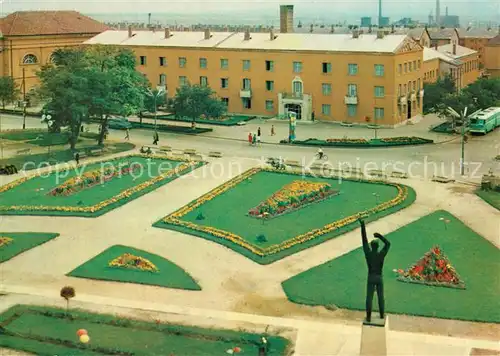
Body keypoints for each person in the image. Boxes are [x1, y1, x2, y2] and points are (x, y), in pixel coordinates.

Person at [359, 218, 390, 323]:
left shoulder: (368, 253)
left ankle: (368, 317)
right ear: (377, 247)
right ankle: (381, 315)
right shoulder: (381, 254)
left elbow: (364, 240)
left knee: (369, 298)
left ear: (372, 246)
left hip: (371, 277)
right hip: (379, 277)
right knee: (380, 297)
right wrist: (379, 236)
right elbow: (388, 244)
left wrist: (362, 225)